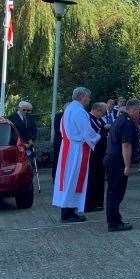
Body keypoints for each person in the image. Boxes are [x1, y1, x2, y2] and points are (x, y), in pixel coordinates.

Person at [52, 87, 102, 223]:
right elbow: (86, 131)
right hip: (75, 149)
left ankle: (70, 210)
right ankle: (67, 213)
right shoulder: (79, 111)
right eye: (88, 97)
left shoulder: (69, 108)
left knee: (69, 179)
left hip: (68, 147)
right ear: (82, 96)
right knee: (73, 179)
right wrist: (98, 137)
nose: (89, 99)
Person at [105, 98, 140, 232]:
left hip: (113, 159)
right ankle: (114, 223)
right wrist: (127, 166)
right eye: (139, 110)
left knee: (113, 192)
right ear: (132, 110)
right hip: (118, 162)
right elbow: (126, 145)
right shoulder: (127, 123)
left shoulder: (120, 120)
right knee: (116, 192)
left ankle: (115, 219)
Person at [85, 102, 109, 213]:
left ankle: (98, 202)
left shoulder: (99, 119)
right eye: (102, 112)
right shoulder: (89, 119)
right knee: (92, 178)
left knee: (100, 178)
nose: (103, 115)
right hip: (93, 154)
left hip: (100, 154)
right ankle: (90, 203)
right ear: (97, 110)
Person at [51, 109, 64, 180]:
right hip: (59, 142)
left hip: (68, 142)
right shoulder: (58, 116)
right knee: (57, 159)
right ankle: (55, 176)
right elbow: (57, 128)